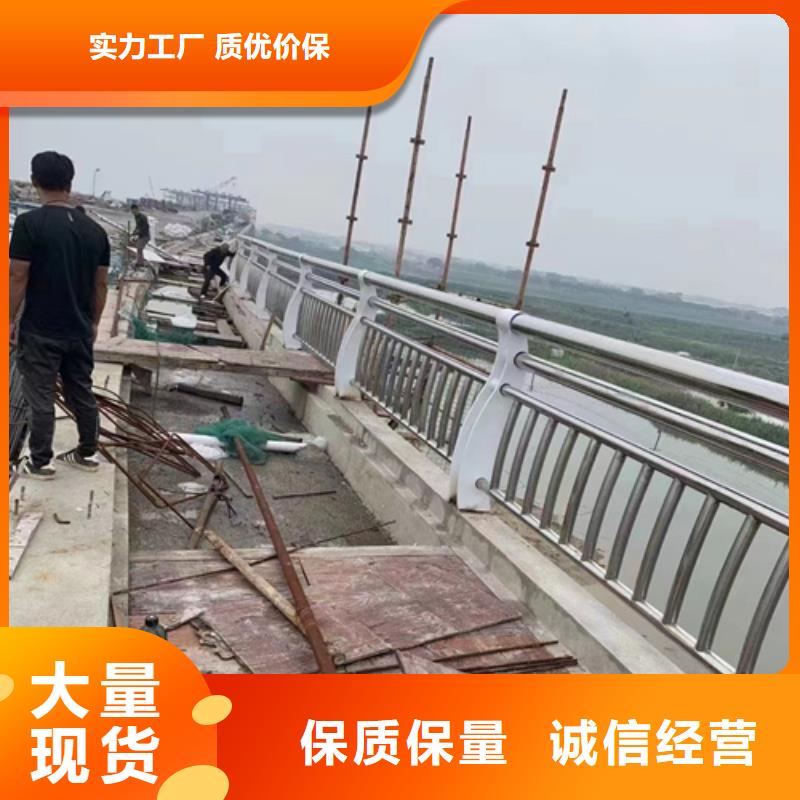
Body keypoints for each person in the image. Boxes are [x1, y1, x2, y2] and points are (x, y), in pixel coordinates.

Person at [9, 151, 110, 479]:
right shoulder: (96, 232)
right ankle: (88, 453)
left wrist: (9, 319)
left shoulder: (29, 224)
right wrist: (94, 322)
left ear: (35, 181)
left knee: (40, 394)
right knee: (81, 391)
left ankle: (41, 462)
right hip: (78, 329)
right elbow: (100, 284)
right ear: (70, 182)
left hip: (40, 329)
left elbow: (17, 276)